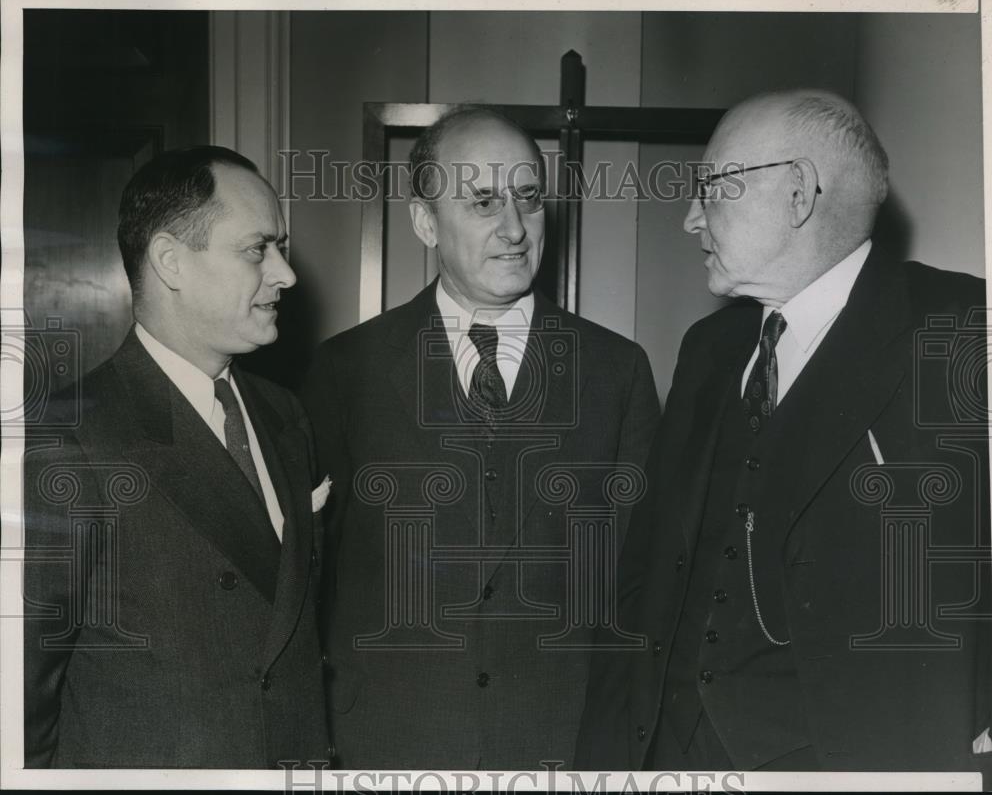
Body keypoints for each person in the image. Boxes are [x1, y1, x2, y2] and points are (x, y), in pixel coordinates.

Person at [575, 89, 992, 775]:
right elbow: (646, 570)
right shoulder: (709, 347)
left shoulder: (960, 329)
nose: (689, 217)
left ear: (797, 194)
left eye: (711, 188)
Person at [300, 106, 660, 770]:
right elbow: (313, 574)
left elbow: (639, 586)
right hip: (388, 748)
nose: (515, 229)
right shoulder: (345, 369)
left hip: (561, 750)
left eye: (528, 198)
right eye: (484, 202)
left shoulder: (618, 370)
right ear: (424, 221)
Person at [23, 146, 331, 768]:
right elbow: (21, 702)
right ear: (171, 262)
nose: (285, 274)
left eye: (280, 248)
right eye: (256, 249)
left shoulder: (284, 416)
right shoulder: (67, 438)